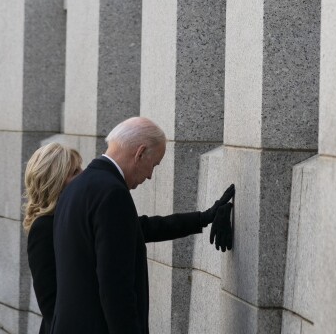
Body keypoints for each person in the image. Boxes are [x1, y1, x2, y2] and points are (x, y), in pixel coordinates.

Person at [51, 117, 234, 334]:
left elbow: (140, 229)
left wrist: (204, 217)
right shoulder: (112, 193)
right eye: (154, 164)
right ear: (140, 153)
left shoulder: (79, 187)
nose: (149, 175)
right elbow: (116, 288)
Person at [24, 142, 83, 334]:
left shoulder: (75, 215)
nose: (83, 175)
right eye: (75, 172)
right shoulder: (44, 227)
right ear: (55, 181)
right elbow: (49, 300)